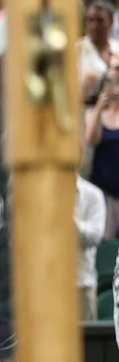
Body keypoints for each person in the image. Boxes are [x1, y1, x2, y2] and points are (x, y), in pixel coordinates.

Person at [86, 55, 119, 239]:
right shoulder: (95, 111)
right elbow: (91, 139)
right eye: (112, 69)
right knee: (104, 246)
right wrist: (100, 105)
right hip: (103, 194)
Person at [76, 175, 106, 320]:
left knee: (86, 342)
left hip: (82, 285)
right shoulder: (41, 193)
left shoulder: (93, 194)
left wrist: (63, 215)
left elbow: (94, 237)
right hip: (47, 287)